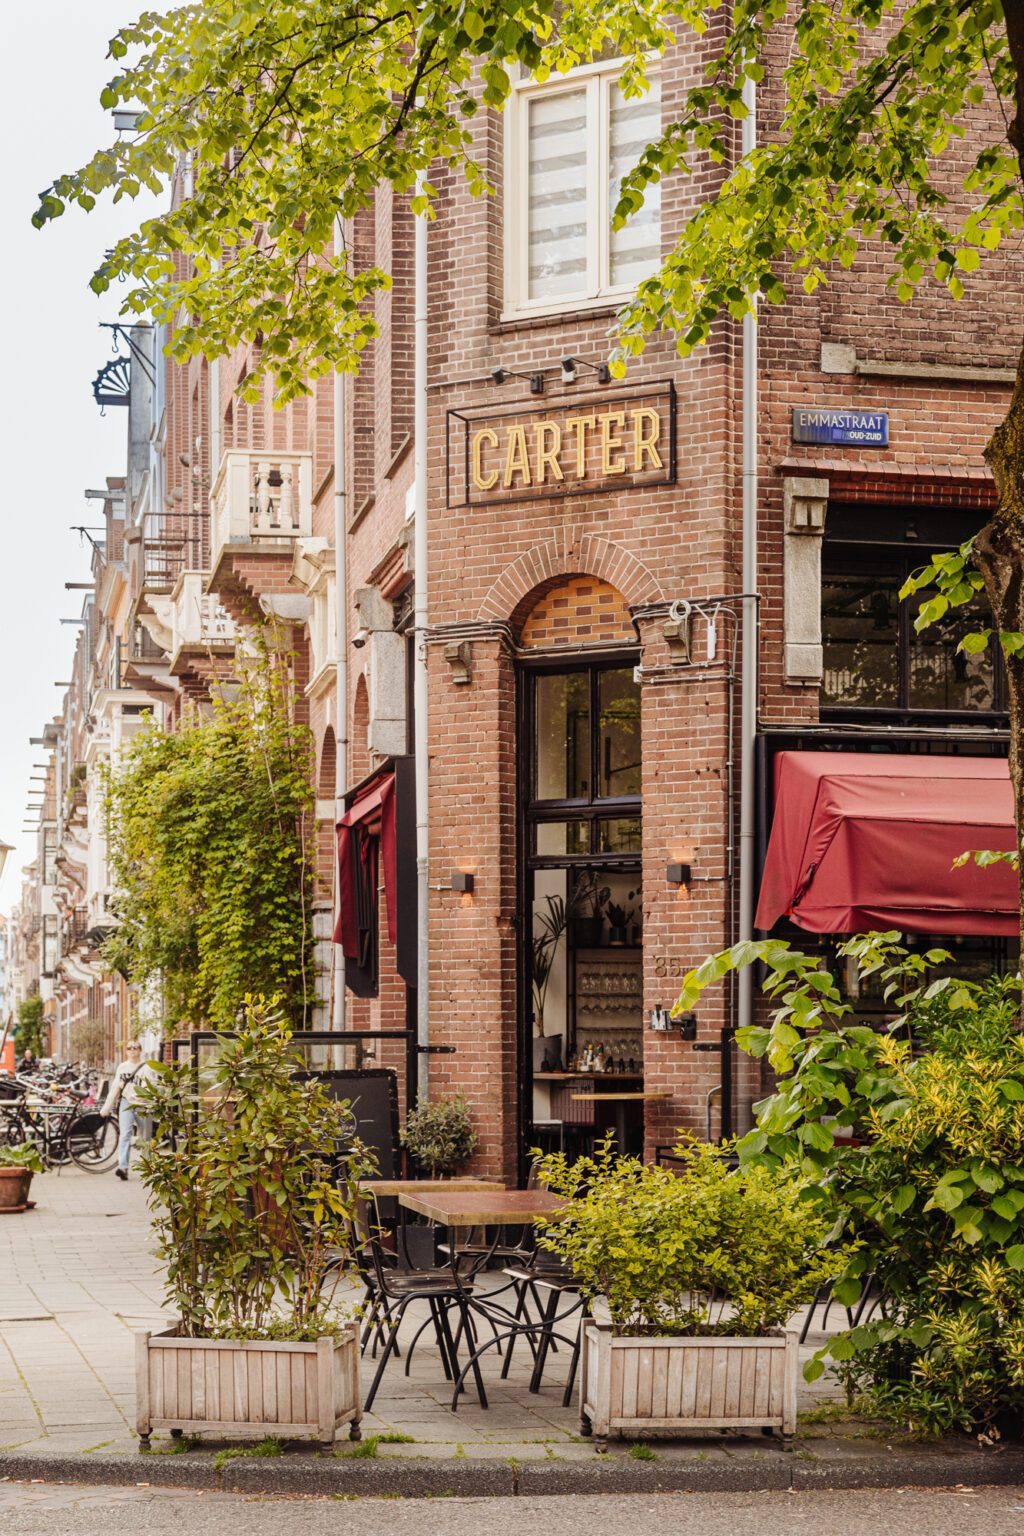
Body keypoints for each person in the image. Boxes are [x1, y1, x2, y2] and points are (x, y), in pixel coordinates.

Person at [102, 1040, 155, 1181]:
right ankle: (123, 1167)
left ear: (140, 1050)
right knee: (125, 1134)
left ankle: (148, 1168)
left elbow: (149, 1088)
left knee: (146, 1137)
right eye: (129, 1048)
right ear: (126, 1051)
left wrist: (138, 1097)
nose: (132, 1050)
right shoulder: (122, 1067)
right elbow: (115, 1089)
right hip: (126, 1103)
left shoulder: (146, 1068)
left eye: (135, 1048)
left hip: (142, 1105)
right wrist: (106, 1109)